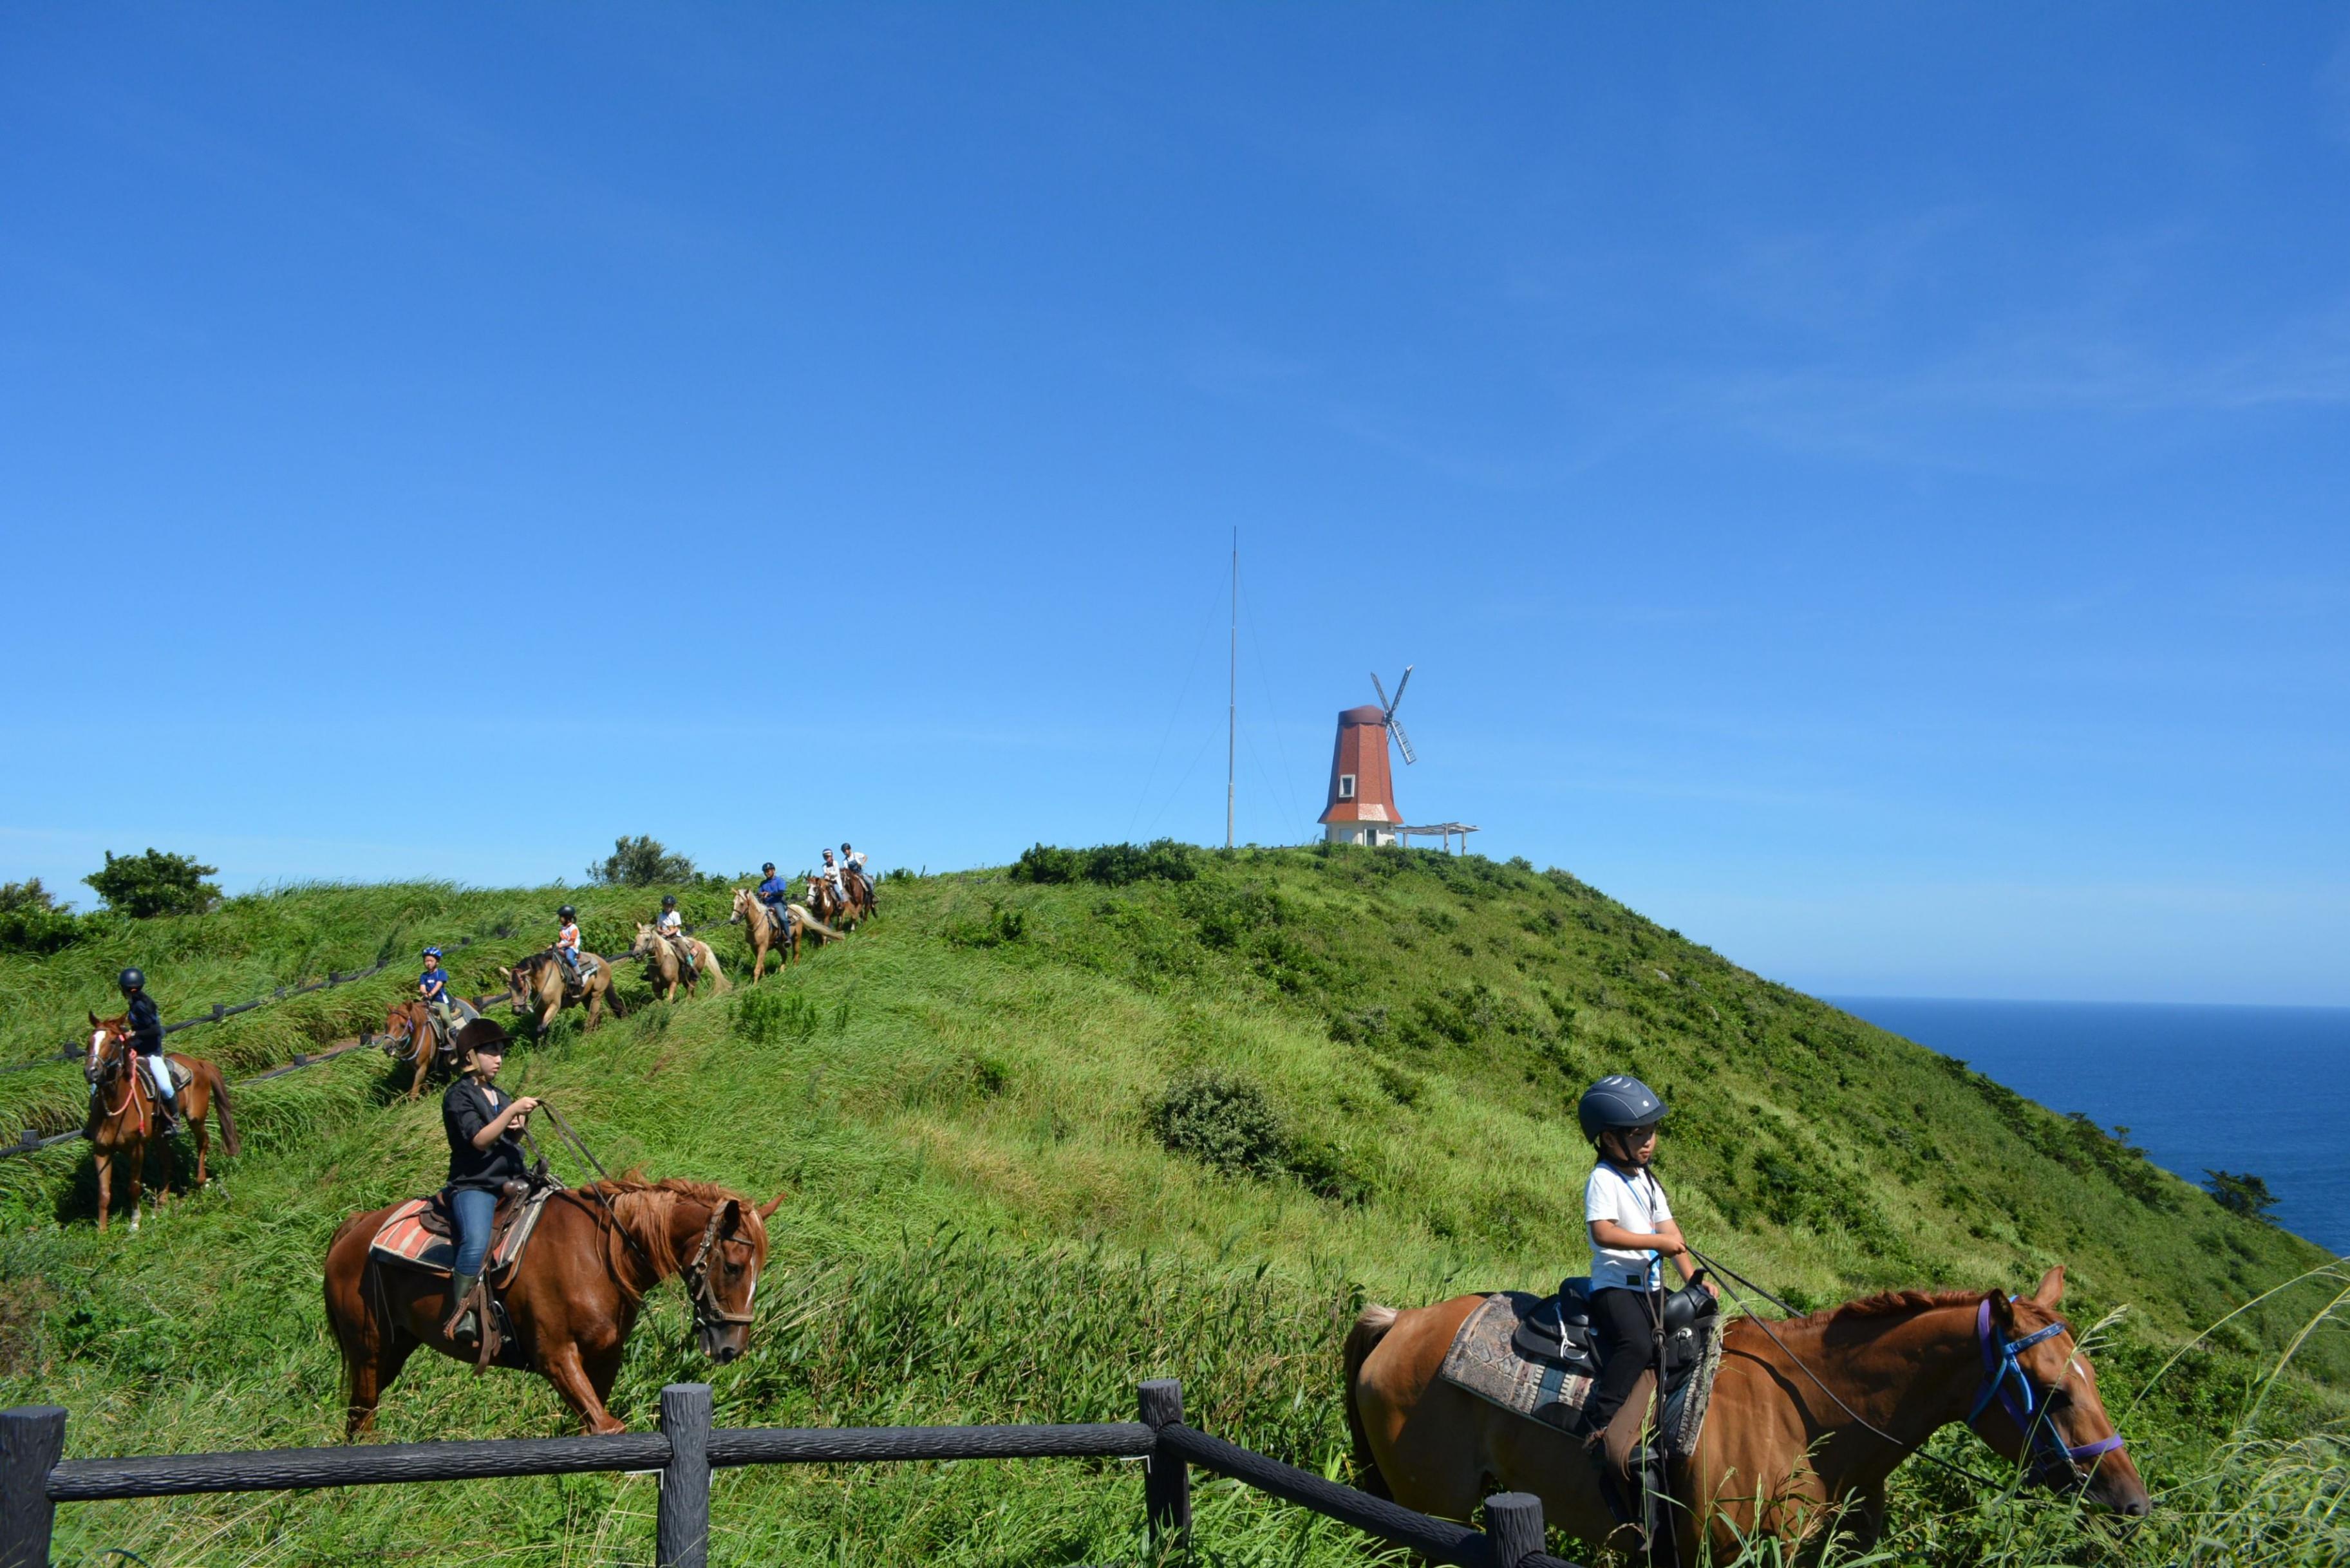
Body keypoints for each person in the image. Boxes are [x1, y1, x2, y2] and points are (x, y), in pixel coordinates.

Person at [1575, 1074, 1715, 1516]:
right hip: (1616, 1288)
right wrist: (1656, 1244)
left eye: (1651, 1131)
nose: (1649, 1141)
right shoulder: (1603, 1179)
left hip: (1651, 1288)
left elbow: (1671, 1233)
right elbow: (1603, 1233)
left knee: (1694, 1329)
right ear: (1609, 1139)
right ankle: (1598, 1423)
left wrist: (1694, 1280)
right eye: (1638, 1134)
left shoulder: (1647, 1179)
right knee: (1636, 1344)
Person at [440, 1018, 538, 1345]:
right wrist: (511, 1112)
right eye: (491, 1052)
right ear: (471, 1056)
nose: (499, 1059)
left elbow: (505, 1137)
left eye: (501, 1052)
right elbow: (480, 1140)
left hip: (512, 1179)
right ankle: (462, 1314)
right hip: (475, 1184)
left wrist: (519, 1124)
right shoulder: (458, 1096)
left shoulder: (499, 1094)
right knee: (476, 1242)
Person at [116, 967, 180, 1134]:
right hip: (137, 1050)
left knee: (165, 1087)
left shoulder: (140, 1005)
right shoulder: (136, 1001)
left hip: (151, 1053)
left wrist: (133, 1034)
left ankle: (174, 1121)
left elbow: (155, 1030)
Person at [418, 947, 462, 1041]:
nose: (428, 963)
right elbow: (422, 987)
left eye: (431, 961)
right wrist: (424, 993)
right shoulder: (424, 975)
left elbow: (438, 986)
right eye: (426, 961)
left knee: (445, 1017)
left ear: (437, 962)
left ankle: (454, 1034)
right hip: (428, 1001)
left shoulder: (441, 973)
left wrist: (430, 995)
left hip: (440, 1001)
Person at [656, 894, 695, 976]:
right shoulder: (661, 915)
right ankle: (651, 969)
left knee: (684, 950)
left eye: (669, 905)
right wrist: (662, 932)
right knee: (653, 948)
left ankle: (691, 966)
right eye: (665, 905)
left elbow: (677, 928)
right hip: (663, 936)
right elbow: (658, 928)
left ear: (672, 906)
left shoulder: (676, 914)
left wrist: (668, 933)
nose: (667, 907)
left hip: (675, 936)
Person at [755, 863, 793, 936]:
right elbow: (759, 893)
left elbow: (781, 893)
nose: (766, 873)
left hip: (777, 903)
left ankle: (788, 937)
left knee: (783, 919)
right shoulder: (763, 883)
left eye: (768, 871)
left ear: (773, 871)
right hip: (766, 904)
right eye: (765, 872)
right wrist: (761, 894)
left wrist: (769, 894)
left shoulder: (779, 880)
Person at [554, 905, 584, 989]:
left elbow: (571, 942)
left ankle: (579, 975)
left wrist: (561, 945)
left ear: (567, 918)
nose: (560, 919)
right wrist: (556, 945)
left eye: (561, 917)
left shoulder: (573, 928)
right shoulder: (562, 928)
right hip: (563, 946)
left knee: (569, 958)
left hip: (571, 947)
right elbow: (561, 940)